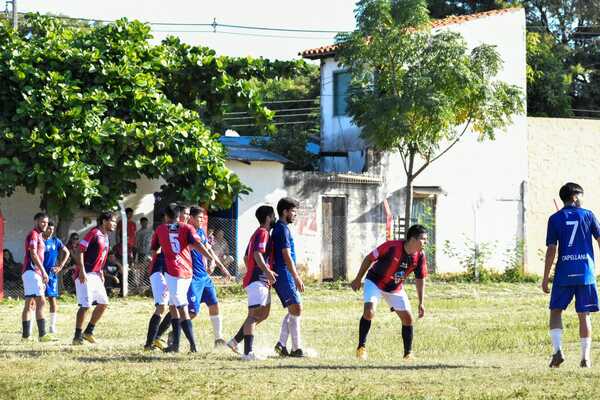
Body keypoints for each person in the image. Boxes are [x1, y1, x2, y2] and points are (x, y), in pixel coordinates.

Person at [542, 182, 600, 368]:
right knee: (584, 315)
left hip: (564, 274)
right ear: (575, 197)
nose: (582, 199)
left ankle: (558, 351)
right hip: (585, 273)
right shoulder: (588, 215)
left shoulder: (555, 218)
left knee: (556, 311)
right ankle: (585, 358)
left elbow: (552, 249)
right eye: (581, 196)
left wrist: (545, 277)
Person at [350, 224, 428, 360]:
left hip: (394, 288)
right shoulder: (391, 246)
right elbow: (369, 258)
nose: (425, 243)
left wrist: (421, 302)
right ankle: (361, 348)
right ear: (413, 239)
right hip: (375, 282)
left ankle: (408, 354)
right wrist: (358, 279)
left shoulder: (420, 256)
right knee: (369, 312)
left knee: (408, 319)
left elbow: (420, 278)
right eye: (423, 239)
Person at [149, 203, 213, 353]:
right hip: (187, 271)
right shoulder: (187, 228)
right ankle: (176, 345)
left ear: (166, 216)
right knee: (173, 307)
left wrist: (158, 258)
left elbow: (154, 250)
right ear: (179, 216)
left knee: (181, 308)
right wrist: (209, 257)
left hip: (173, 272)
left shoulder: (160, 229)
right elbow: (198, 245)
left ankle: (193, 345)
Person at [228, 205, 277, 360]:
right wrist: (266, 272)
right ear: (268, 218)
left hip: (259, 280)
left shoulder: (257, 233)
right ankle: (248, 353)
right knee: (254, 315)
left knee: (263, 314)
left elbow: (245, 257)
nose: (274, 219)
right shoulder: (263, 232)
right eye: (273, 216)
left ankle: (235, 341)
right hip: (258, 280)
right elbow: (256, 254)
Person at [185, 206, 231, 348]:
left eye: (203, 218)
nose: (202, 220)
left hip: (204, 277)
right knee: (192, 312)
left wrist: (221, 267)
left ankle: (218, 338)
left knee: (214, 304)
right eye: (199, 218)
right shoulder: (187, 232)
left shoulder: (201, 232)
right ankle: (174, 332)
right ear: (191, 218)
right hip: (193, 278)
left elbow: (209, 249)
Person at [72, 212, 117, 345]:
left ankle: (88, 332)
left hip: (96, 274)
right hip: (85, 274)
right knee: (85, 306)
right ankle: (77, 337)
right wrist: (82, 271)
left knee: (103, 303)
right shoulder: (94, 233)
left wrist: (101, 271)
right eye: (112, 221)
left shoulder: (106, 236)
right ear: (104, 221)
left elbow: (101, 256)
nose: (114, 224)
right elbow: (80, 250)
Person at [272, 197, 305, 357]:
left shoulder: (282, 227)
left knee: (295, 308)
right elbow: (286, 255)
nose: (295, 215)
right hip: (284, 274)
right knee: (296, 308)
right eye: (293, 211)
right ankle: (296, 349)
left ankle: (281, 344)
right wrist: (296, 276)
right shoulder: (282, 229)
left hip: (286, 274)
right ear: (285, 212)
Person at [21, 212, 56, 342]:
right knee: (41, 301)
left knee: (30, 304)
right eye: (42, 222)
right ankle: (42, 335)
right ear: (36, 221)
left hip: (33, 272)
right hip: (32, 271)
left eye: (46, 222)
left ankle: (26, 337)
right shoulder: (34, 234)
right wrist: (43, 271)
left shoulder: (40, 236)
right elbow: (33, 254)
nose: (44, 224)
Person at [42, 221, 70, 333]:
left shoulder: (56, 241)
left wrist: (60, 266)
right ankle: (28, 324)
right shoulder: (39, 240)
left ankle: (52, 326)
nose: (51, 231)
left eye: (52, 229)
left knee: (52, 300)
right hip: (40, 273)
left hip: (51, 274)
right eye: (49, 229)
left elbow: (67, 252)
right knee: (34, 300)